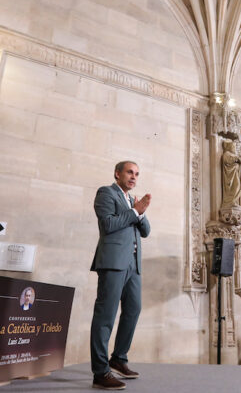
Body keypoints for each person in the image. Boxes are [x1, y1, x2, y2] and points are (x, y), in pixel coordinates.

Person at [89, 161, 152, 390]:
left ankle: (119, 358)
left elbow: (145, 232)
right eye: (129, 172)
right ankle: (100, 372)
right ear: (118, 174)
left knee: (133, 309)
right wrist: (135, 212)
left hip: (133, 266)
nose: (134, 177)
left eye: (136, 174)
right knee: (105, 316)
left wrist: (140, 213)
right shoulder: (106, 193)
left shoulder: (132, 200)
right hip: (113, 263)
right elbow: (107, 224)